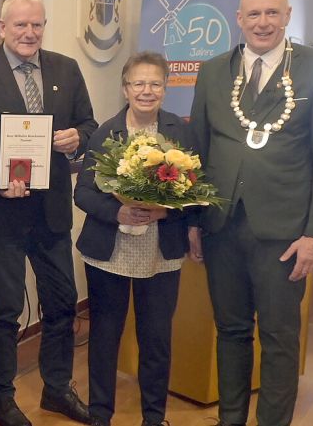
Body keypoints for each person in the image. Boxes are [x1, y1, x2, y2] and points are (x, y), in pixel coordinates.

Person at [188, 0, 313, 426]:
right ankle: (229, 420)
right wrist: (194, 221)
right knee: (231, 332)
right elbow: (199, 149)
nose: (263, 23)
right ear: (239, 19)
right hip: (221, 226)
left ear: (287, 15)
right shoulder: (215, 70)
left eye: (272, 13)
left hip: (286, 233)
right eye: (253, 15)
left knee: (278, 337)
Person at [0, 0, 97, 426]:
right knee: (5, 310)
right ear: (2, 28)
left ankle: (56, 388)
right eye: (20, 24)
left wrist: (78, 137)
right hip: (1, 213)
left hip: (51, 211)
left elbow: (89, 124)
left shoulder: (66, 69)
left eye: (37, 24)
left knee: (61, 302)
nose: (30, 32)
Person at [74, 52, 190, 426]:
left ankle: (153, 419)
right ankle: (100, 416)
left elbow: (196, 191)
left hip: (162, 253)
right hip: (110, 253)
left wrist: (168, 209)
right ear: (125, 88)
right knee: (105, 339)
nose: (146, 91)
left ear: (165, 87)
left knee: (156, 341)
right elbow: (84, 194)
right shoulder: (105, 133)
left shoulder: (180, 132)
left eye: (155, 83)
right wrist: (118, 211)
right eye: (138, 83)